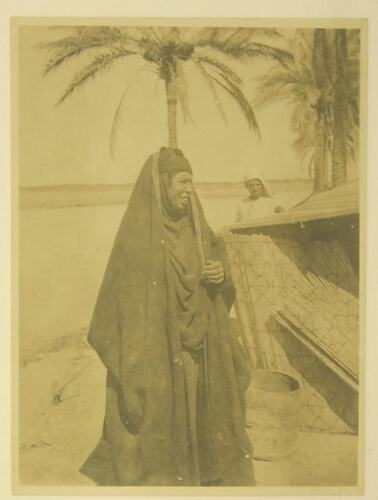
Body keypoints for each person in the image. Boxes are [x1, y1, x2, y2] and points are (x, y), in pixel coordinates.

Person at [80, 147, 255, 486]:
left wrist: (221, 272)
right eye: (182, 181)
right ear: (162, 184)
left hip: (198, 345)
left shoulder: (197, 228)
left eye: (192, 181)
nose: (189, 189)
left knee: (199, 412)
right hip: (158, 349)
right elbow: (122, 299)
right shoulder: (139, 236)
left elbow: (218, 259)